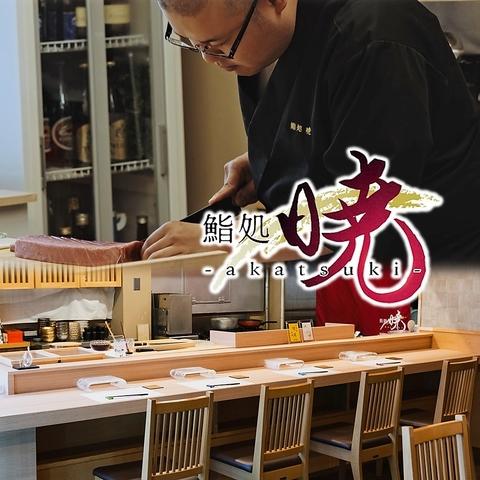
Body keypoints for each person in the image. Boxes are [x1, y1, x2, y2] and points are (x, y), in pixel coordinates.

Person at [142, 0, 480, 333]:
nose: (209, 59)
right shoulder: (261, 43)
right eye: (193, 44)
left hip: (436, 279)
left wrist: (224, 236)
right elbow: (330, 123)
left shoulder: (376, 39)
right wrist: (275, 159)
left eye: (218, 44)